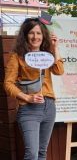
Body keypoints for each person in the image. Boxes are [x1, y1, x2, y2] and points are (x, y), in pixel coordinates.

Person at [4, 17, 64, 160]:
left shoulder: (48, 55)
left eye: (39, 33)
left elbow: (59, 70)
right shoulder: (17, 56)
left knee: (42, 153)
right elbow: (8, 84)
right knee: (31, 154)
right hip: (28, 109)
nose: (35, 37)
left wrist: (55, 48)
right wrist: (27, 97)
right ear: (25, 35)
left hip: (49, 107)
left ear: (43, 36)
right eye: (31, 33)